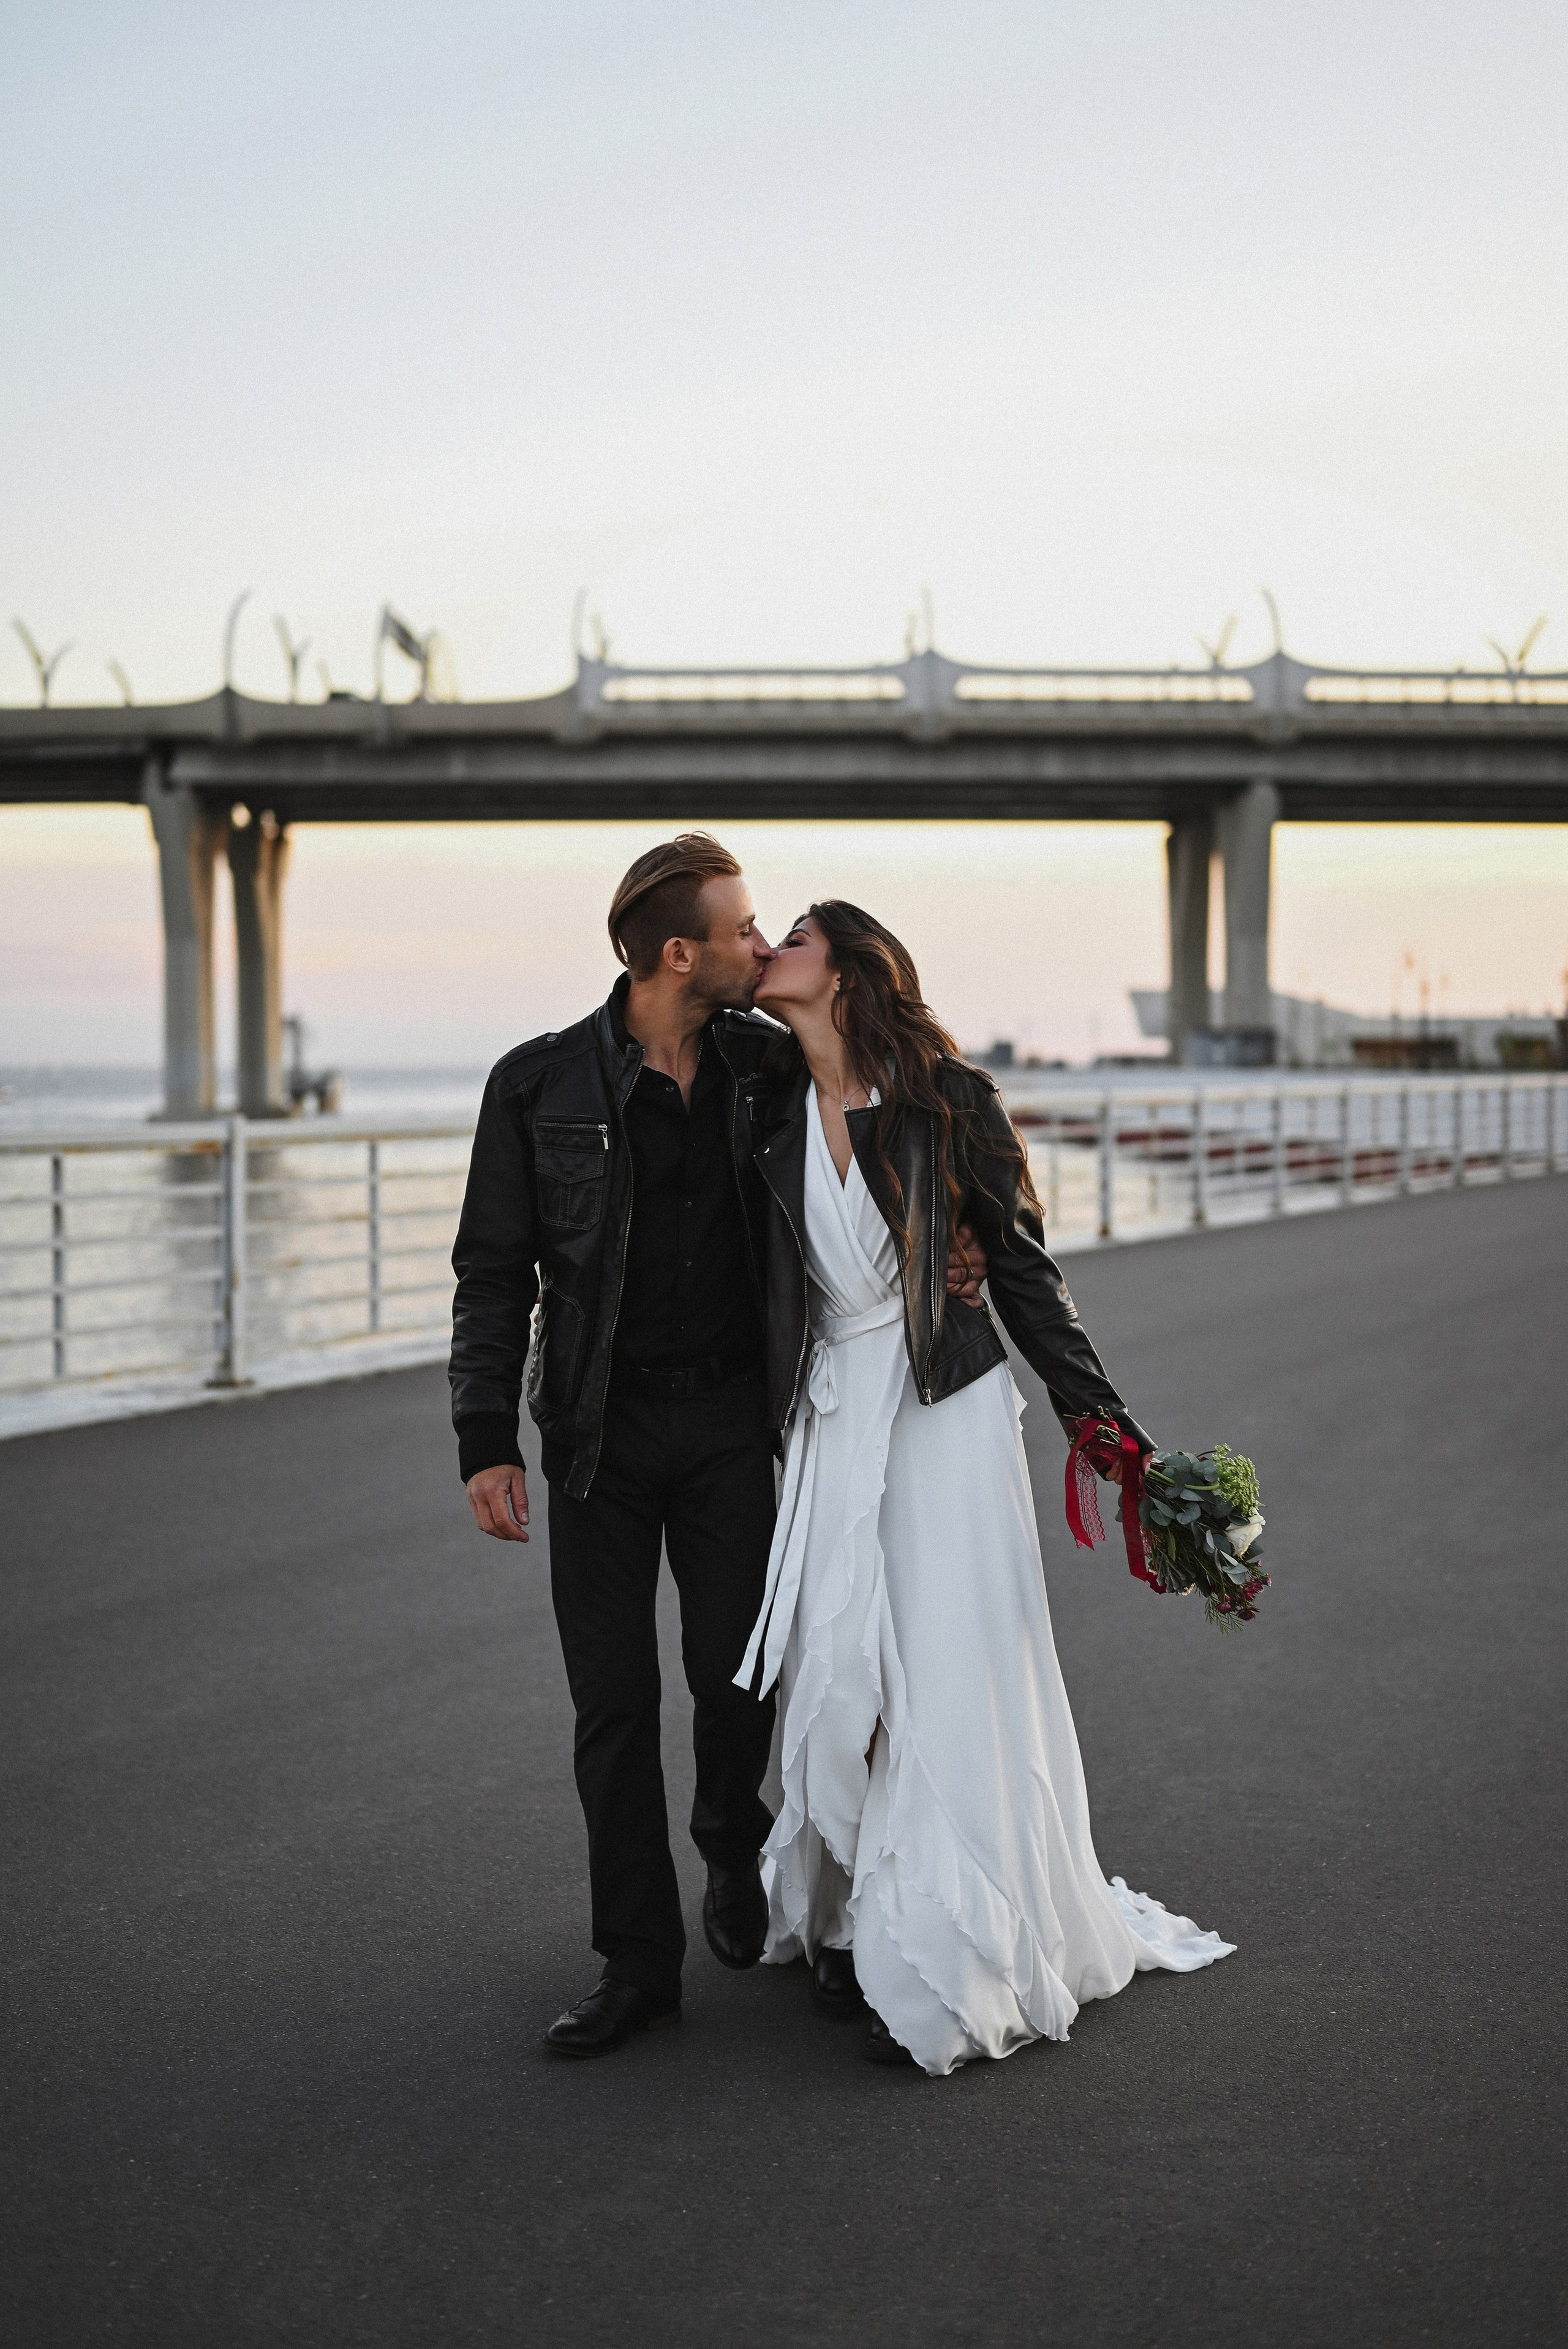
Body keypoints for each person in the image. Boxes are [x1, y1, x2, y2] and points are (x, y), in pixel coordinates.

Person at [448, 838, 985, 2057]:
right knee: (612, 1705)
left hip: (736, 1426)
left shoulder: (765, 1064)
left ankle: (730, 1849)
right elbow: (491, 1277)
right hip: (594, 1434)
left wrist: (962, 1229)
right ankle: (636, 1963)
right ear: (677, 953)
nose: (761, 942)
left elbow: (907, 1101)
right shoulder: (535, 1087)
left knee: (736, 1677)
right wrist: (485, 1437)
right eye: (743, 928)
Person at [737, 901, 1234, 2074]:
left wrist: (1114, 1439)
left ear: (851, 974)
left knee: (945, 1669)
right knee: (842, 1660)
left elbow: (1023, 1274)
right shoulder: (759, 1097)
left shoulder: (952, 1099)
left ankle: (929, 1947)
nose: (768, 956)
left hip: (942, 1417)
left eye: (794, 939)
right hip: (828, 1418)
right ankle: (857, 1912)